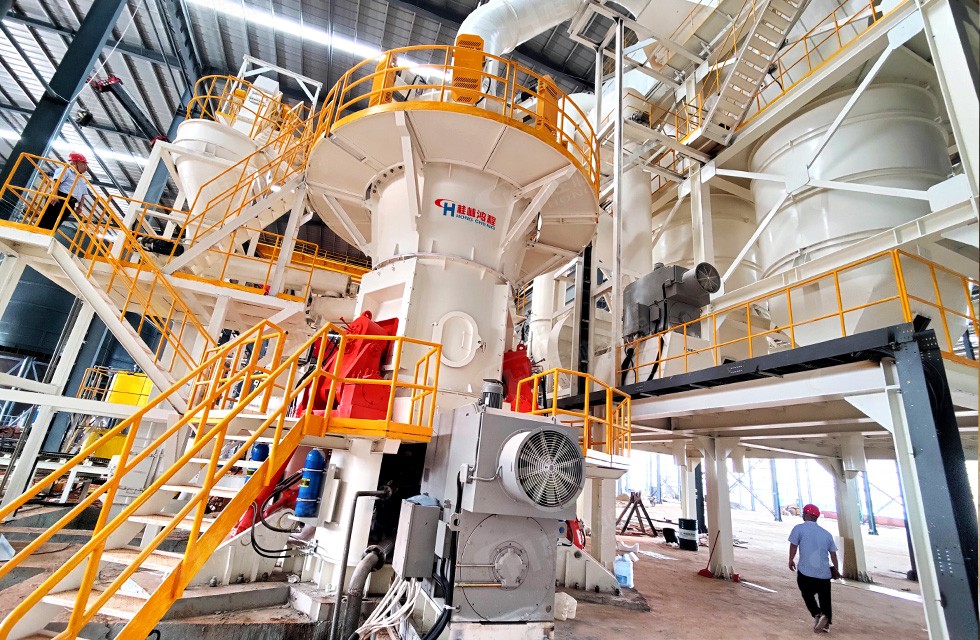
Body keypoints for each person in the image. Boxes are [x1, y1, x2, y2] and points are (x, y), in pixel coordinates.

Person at [788, 504, 840, 633]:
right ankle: (826, 623)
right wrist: (836, 569)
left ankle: (817, 613)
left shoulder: (799, 528)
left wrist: (791, 559)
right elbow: (833, 554)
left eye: (804, 513)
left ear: (807, 515)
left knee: (807, 594)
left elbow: (793, 546)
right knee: (825, 598)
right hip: (824, 573)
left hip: (806, 572)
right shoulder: (826, 534)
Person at [38, 152, 90, 230]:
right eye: (83, 164)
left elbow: (82, 195)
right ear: (74, 163)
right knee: (47, 220)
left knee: (56, 223)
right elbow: (55, 182)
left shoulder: (82, 179)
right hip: (60, 198)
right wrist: (54, 195)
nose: (85, 167)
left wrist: (80, 206)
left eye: (86, 164)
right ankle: (38, 233)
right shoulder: (66, 171)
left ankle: (47, 234)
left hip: (70, 203)